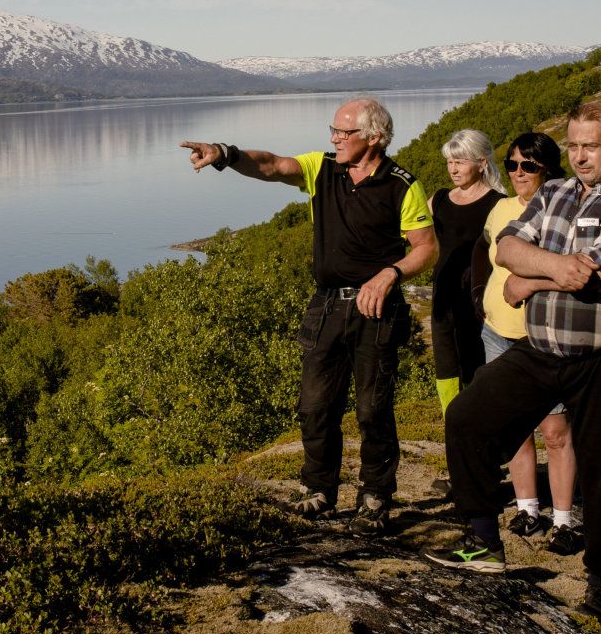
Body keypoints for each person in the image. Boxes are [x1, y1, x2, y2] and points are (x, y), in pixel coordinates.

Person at [428, 103, 601, 623]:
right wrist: (554, 267)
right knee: (467, 418)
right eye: (573, 146)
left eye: (591, 146)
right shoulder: (553, 192)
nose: (579, 156)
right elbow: (506, 249)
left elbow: (598, 271)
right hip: (543, 347)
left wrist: (530, 278)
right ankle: (485, 542)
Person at [181, 98, 437, 535]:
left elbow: (427, 247)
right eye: (332, 130)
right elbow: (272, 165)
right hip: (326, 305)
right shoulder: (323, 168)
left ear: (373, 138)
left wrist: (389, 275)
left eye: (343, 132)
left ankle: (375, 496)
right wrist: (226, 154)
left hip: (377, 307)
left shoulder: (401, 185)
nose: (333, 138)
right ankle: (319, 490)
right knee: (315, 405)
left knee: (372, 409)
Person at [472, 133, 578, 549]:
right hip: (497, 331)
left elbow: (569, 269)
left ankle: (566, 519)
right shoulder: (499, 209)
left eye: (528, 166)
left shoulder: (561, 210)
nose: (518, 173)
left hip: (542, 336)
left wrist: (527, 284)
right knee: (514, 427)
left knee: (555, 431)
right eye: (513, 164)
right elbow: (484, 248)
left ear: (548, 170)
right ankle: (527, 509)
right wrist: (478, 289)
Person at [430, 130, 505, 412]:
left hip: (478, 299)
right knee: (446, 368)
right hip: (443, 295)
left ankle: (479, 427)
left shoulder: (498, 202)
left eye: (460, 161)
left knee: (476, 364)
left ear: (482, 163)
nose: (453, 168)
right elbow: (418, 239)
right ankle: (453, 425)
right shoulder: (438, 199)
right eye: (450, 161)